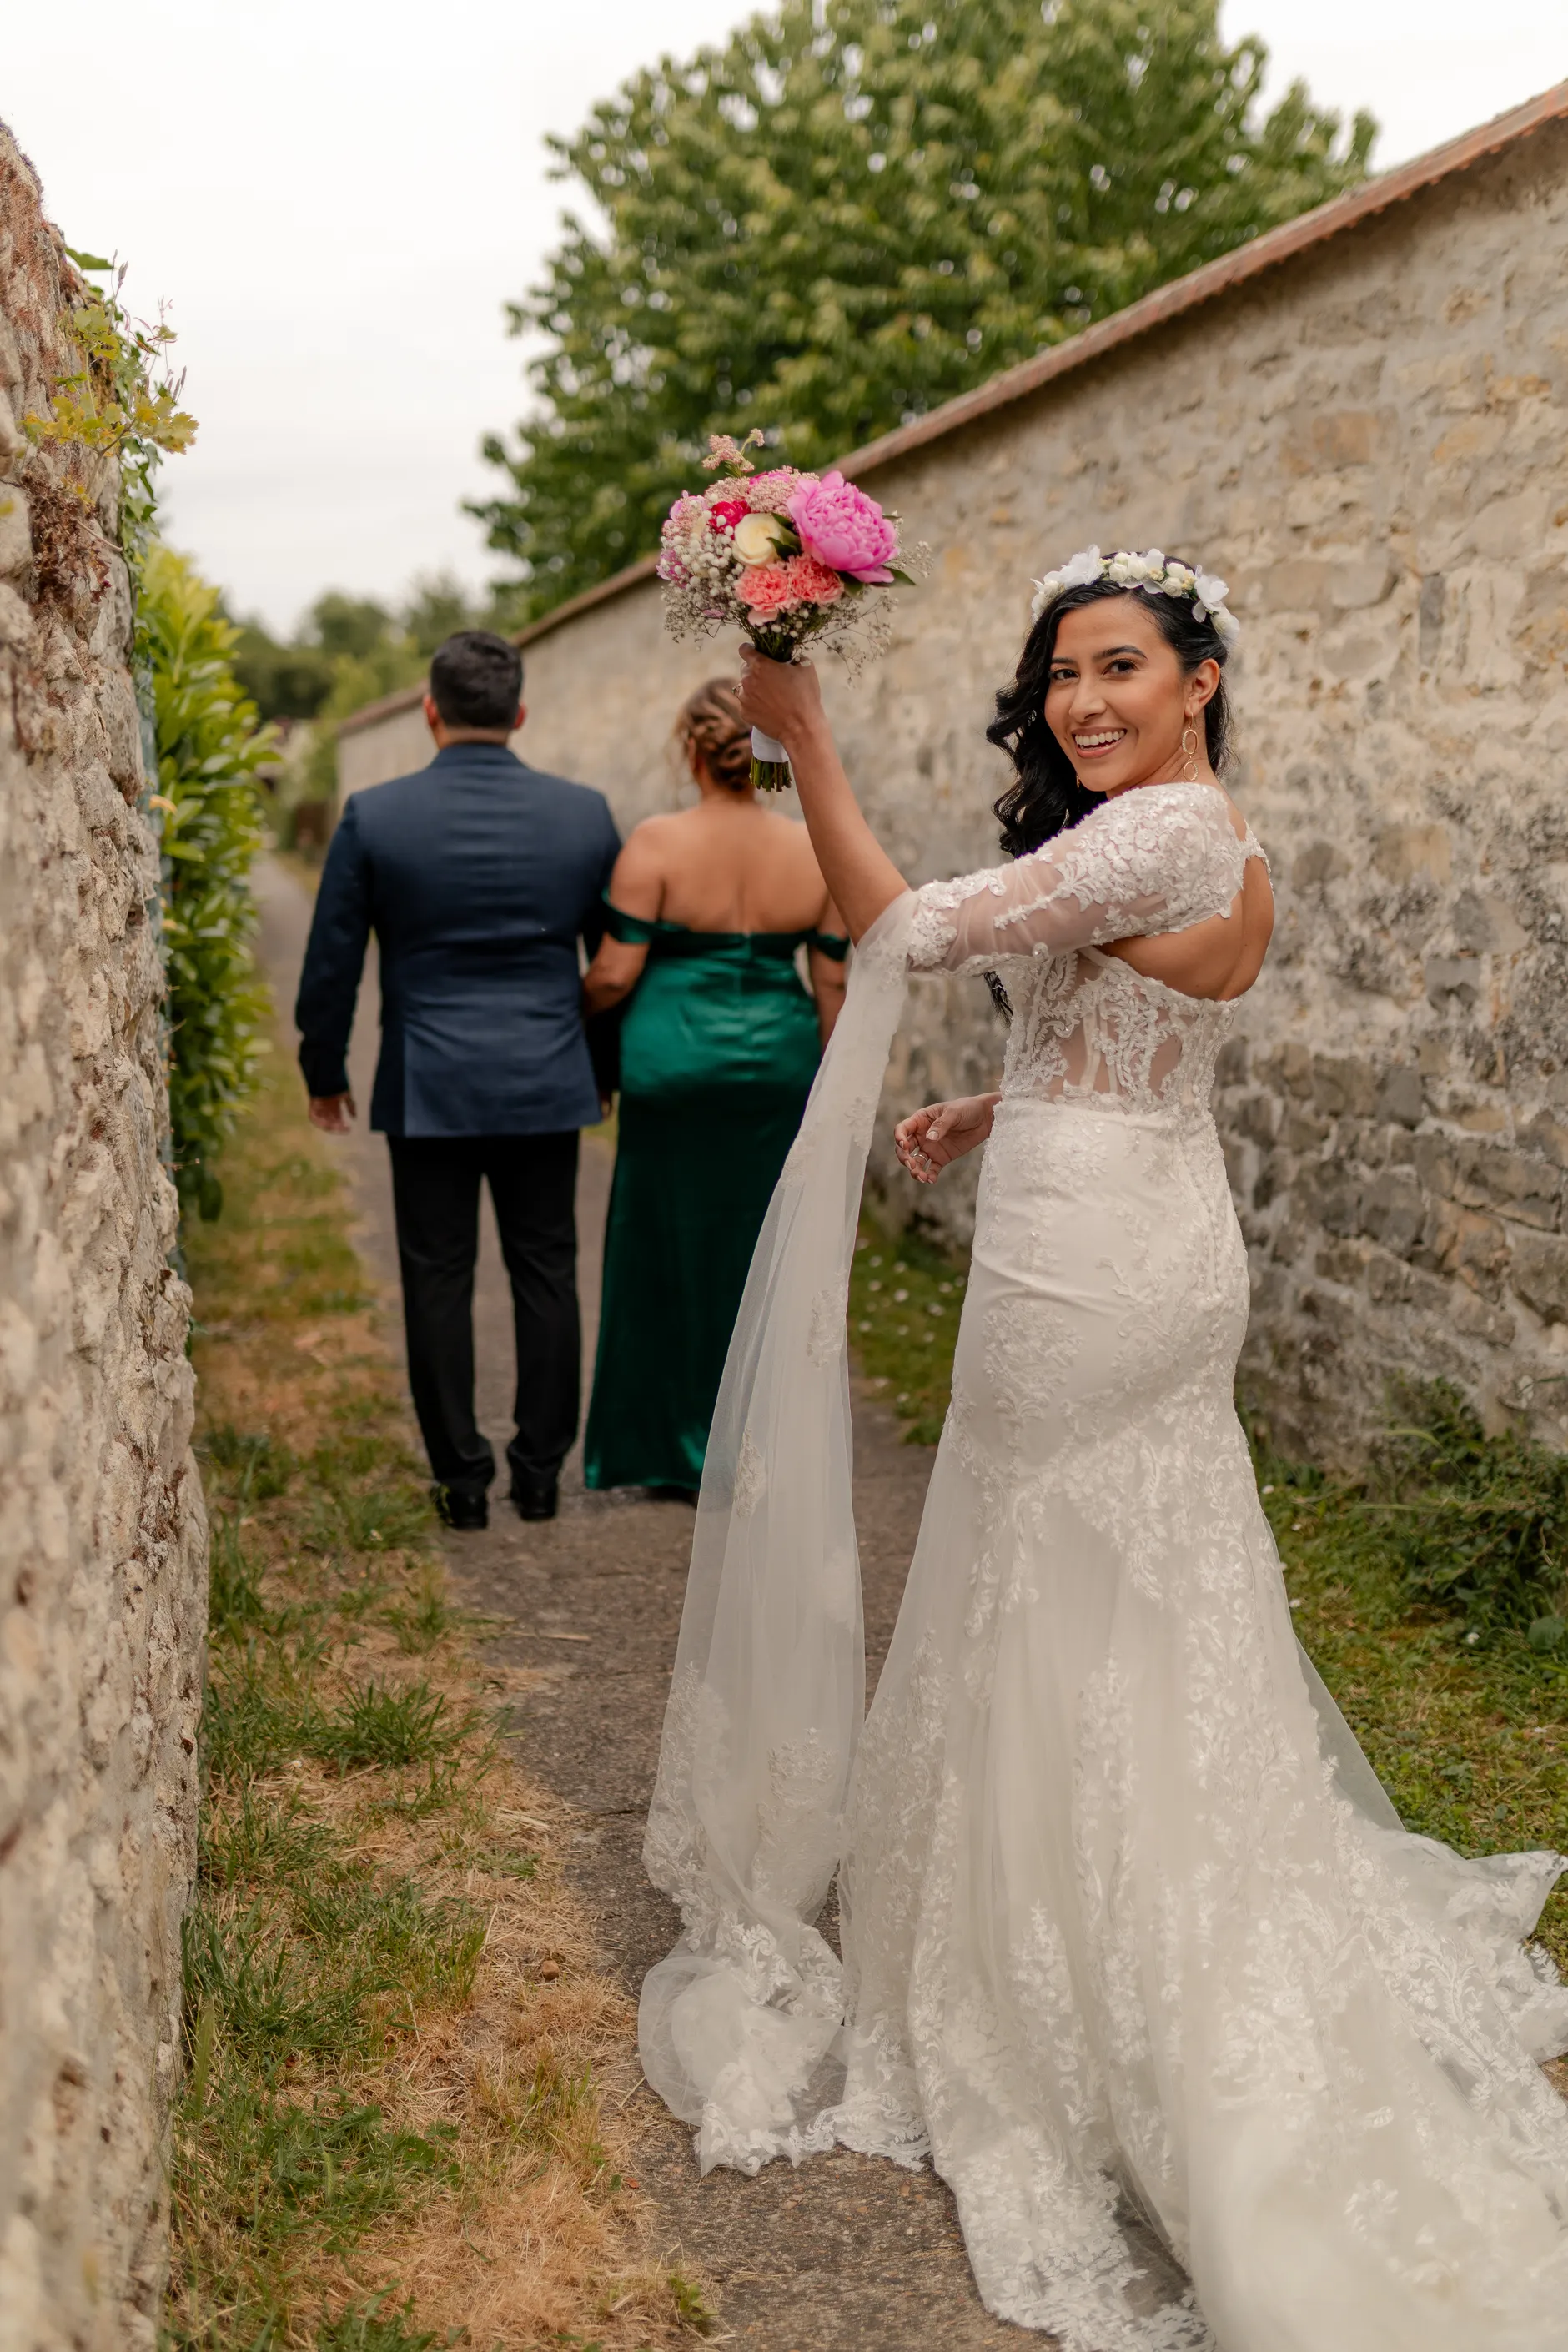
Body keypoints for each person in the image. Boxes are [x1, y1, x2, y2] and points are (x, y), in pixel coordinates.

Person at [637, 555, 1568, 2348]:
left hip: (1089, 1276)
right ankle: (1089, 1885)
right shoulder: (1214, 844)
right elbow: (1145, 1029)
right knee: (1118, 1586)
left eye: (1122, 667)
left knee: (1039, 1582)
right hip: (1135, 1221)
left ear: (1202, 676)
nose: (1083, 702)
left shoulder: (1153, 828)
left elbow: (902, 927)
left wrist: (803, 734)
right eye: (1063, 675)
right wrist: (1001, 1102)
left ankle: (1077, 1953)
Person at [294, 630, 620, 1530]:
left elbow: (331, 962)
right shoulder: (583, 814)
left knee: (436, 1279)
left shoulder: (373, 814)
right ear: (518, 715)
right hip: (548, 1080)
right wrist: (601, 1071)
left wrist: (325, 1067)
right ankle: (541, 1476)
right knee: (547, 1271)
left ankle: (462, 1484)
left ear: (429, 711)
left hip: (427, 1083)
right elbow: (613, 964)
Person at [580, 679, 847, 1495]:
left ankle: (664, 1449)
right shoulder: (813, 848)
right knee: (759, 1251)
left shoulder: (655, 844)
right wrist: (829, 1085)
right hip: (777, 1066)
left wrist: (577, 1011)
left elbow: (614, 975)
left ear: (692, 750)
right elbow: (832, 983)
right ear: (764, 755)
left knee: (660, 1248)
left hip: (670, 1065)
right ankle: (757, 1449)